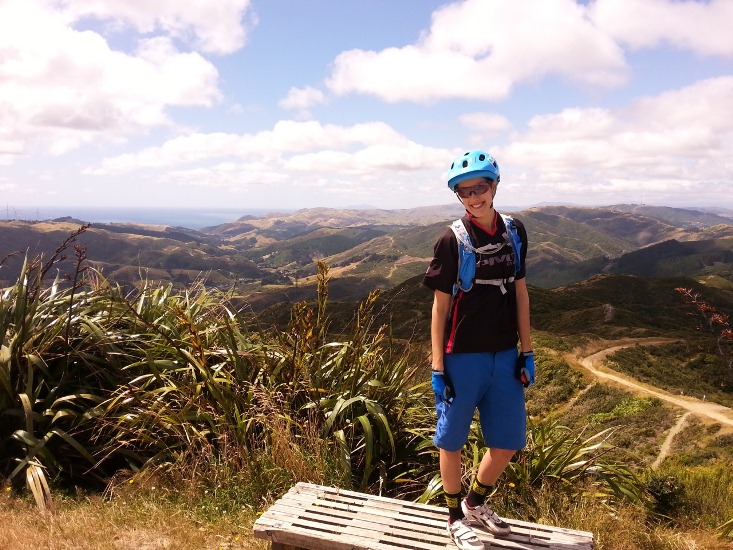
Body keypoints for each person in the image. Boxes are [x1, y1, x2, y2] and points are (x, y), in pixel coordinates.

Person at [422, 150, 535, 549]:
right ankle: (454, 518)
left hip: (505, 355)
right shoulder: (451, 240)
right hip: (461, 356)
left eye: (480, 188)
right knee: (450, 441)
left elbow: (520, 292)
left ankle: (474, 503)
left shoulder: (514, 231)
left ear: (495, 186)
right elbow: (440, 307)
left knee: (507, 441)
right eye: (464, 191)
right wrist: (438, 367)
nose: (474, 197)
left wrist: (527, 350)